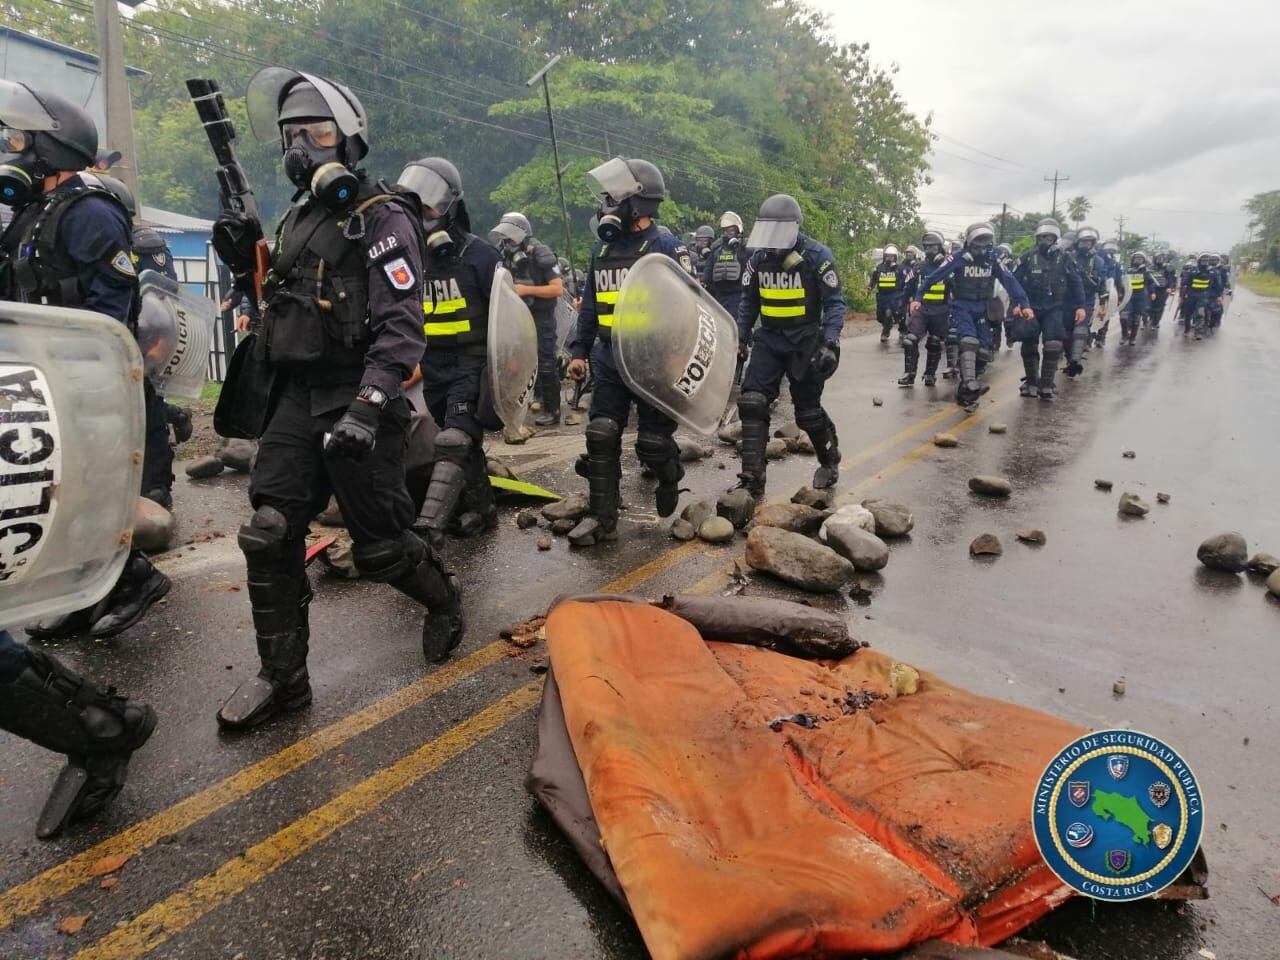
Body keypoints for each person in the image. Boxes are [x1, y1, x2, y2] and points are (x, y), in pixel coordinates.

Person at [214, 70, 463, 730]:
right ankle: (284, 678)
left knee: (380, 548)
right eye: (294, 134)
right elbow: (282, 309)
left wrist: (370, 401)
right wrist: (246, 266)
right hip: (299, 396)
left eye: (318, 131)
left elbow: (403, 325)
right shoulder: (299, 218)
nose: (304, 146)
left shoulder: (379, 218)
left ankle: (443, 599)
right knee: (268, 532)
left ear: (349, 140)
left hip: (359, 399)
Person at [0, 80, 171, 641]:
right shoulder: (30, 216)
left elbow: (110, 304)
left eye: (21, 141)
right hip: (41, 384)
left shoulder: (89, 210)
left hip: (88, 385)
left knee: (94, 494)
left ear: (53, 148)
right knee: (61, 495)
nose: (11, 150)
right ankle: (84, 590)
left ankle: (135, 580)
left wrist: (90, 381)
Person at [565, 156, 693, 546]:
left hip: (655, 361)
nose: (606, 202)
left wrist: (679, 356)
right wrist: (578, 351)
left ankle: (669, 473)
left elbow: (691, 305)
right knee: (602, 434)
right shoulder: (601, 253)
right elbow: (590, 306)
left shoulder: (666, 246)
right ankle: (602, 520)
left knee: (652, 443)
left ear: (638, 203)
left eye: (614, 195)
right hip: (610, 357)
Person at [400, 158, 503, 548]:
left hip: (472, 362)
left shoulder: (482, 256)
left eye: (430, 205)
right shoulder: (411, 257)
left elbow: (507, 319)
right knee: (458, 440)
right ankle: (481, 506)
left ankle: (428, 529)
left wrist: (502, 376)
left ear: (451, 207)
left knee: (455, 440)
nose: (424, 213)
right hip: (433, 364)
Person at [734, 194, 845, 500]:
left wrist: (830, 341)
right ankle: (752, 478)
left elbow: (835, 304)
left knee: (807, 413)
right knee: (752, 402)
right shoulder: (757, 259)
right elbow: (748, 302)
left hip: (805, 341)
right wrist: (740, 336)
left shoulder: (817, 256)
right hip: (768, 339)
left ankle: (829, 458)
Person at [912, 222, 1030, 410]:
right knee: (968, 342)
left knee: (983, 352)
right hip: (961, 307)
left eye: (985, 242)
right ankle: (970, 384)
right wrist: (918, 297)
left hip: (982, 308)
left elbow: (1009, 280)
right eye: (978, 242)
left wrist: (1023, 303)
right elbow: (934, 276)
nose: (982, 247)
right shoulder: (958, 258)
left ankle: (965, 393)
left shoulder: (992, 261)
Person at [490, 211, 564, 427]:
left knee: (546, 363)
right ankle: (523, 403)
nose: (507, 241)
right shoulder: (503, 255)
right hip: (517, 319)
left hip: (541, 318)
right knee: (515, 364)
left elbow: (557, 289)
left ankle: (553, 409)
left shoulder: (540, 253)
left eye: (511, 236)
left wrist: (526, 289)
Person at [1012, 219, 1085, 401]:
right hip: (1031, 308)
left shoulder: (1065, 258)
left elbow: (1076, 282)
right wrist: (1016, 304)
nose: (1047, 240)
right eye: (1044, 236)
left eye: (1051, 237)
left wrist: (1081, 306)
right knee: (1029, 344)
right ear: (1038, 237)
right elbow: (1014, 282)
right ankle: (1031, 383)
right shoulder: (1027, 257)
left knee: (1053, 345)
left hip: (1054, 308)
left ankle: (1046, 385)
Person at [898, 230, 949, 387]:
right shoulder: (919, 267)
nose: (929, 251)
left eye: (933, 248)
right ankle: (909, 374)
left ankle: (930, 374)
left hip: (941, 310)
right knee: (910, 340)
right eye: (926, 247)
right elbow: (908, 288)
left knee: (934, 342)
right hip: (922, 309)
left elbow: (957, 291)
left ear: (940, 248)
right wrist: (900, 307)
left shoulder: (949, 267)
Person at [1064, 225, 1106, 375]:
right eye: (1083, 241)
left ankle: (1076, 361)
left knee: (1080, 330)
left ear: (1094, 243)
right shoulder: (1069, 256)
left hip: (1086, 300)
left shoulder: (1099, 261)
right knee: (1067, 333)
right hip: (1067, 299)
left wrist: (1102, 305)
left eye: (1089, 242)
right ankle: (1070, 360)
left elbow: (1102, 284)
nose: (1086, 244)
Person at [702, 211, 749, 320]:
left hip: (739, 295)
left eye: (731, 230)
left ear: (738, 229)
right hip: (719, 296)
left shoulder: (745, 247)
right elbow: (708, 272)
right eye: (726, 230)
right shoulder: (716, 248)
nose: (728, 233)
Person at [868, 244, 911, 342]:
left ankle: (887, 332)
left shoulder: (900, 268)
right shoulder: (879, 267)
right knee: (880, 317)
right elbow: (873, 280)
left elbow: (906, 281)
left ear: (895, 257)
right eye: (887, 256)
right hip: (882, 296)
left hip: (894, 295)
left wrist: (906, 294)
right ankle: (888, 325)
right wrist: (869, 289)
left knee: (890, 313)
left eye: (891, 256)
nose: (889, 258)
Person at [1180, 252, 1222, 339]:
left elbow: (1217, 286)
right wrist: (1183, 295)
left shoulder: (1213, 272)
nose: (1205, 262)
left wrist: (1219, 296)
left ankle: (1198, 332)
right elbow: (1185, 283)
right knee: (1188, 313)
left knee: (1200, 313)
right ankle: (1187, 329)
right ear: (1199, 261)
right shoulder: (1193, 270)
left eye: (1207, 260)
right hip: (1191, 295)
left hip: (1203, 295)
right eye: (1203, 260)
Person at [1118, 250, 1156, 345]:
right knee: (1123, 316)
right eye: (1136, 258)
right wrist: (1120, 295)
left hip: (1140, 297)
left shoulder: (1146, 272)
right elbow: (1121, 283)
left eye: (1140, 258)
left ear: (1144, 260)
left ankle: (1132, 338)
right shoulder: (1127, 270)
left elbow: (1151, 283)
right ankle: (1124, 335)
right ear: (1133, 259)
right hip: (1128, 297)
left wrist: (1152, 292)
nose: (1138, 260)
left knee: (1136, 318)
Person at [1092, 239, 1123, 347]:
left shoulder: (1116, 264)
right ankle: (1089, 338)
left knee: (1105, 315)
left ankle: (1101, 338)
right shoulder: (1096, 258)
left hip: (1110, 292)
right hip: (1096, 290)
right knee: (1092, 314)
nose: (1110, 250)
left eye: (1112, 249)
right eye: (1108, 248)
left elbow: (1119, 280)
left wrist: (1119, 294)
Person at [1148, 250, 1175, 331]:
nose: (1160, 260)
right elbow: (1149, 280)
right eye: (1158, 258)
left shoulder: (1167, 268)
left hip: (1163, 290)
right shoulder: (1150, 268)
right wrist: (1151, 291)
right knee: (1150, 306)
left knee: (1160, 307)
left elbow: (1170, 279)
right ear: (1155, 259)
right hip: (1152, 290)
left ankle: (1156, 322)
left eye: (1162, 258)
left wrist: (1169, 287)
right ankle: (1152, 319)